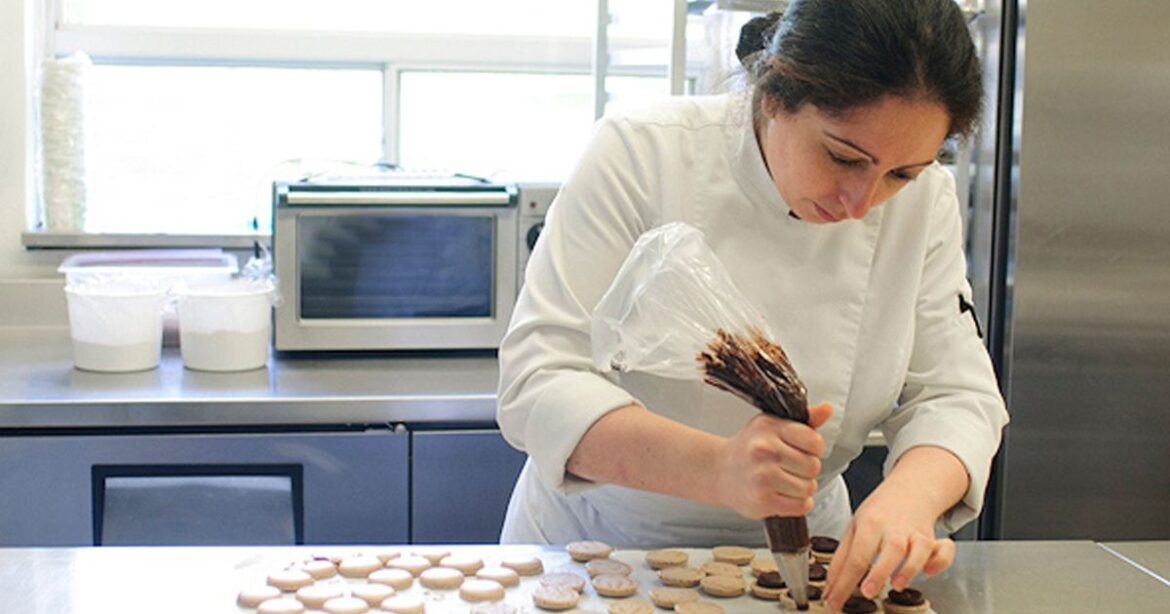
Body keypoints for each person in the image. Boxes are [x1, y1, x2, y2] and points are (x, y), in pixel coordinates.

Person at [495, 0, 1009, 611]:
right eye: (844, 157)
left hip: (805, 560)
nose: (861, 201)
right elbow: (538, 379)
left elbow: (957, 394)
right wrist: (717, 469)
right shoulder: (642, 153)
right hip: (603, 548)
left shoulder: (926, 204)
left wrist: (911, 498)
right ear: (773, 94)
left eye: (902, 173)